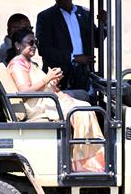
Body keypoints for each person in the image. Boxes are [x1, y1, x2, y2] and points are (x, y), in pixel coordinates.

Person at [7, 28, 105, 172]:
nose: (34, 46)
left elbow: (39, 85)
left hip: (47, 100)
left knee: (86, 106)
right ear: (18, 45)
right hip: (40, 107)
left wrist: (52, 82)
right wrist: (47, 79)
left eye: (36, 42)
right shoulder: (18, 63)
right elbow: (24, 92)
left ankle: (87, 158)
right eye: (30, 42)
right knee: (82, 111)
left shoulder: (30, 62)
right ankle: (82, 163)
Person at [36, 0, 97, 91]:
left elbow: (96, 41)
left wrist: (104, 24)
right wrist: (73, 58)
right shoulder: (45, 17)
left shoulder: (85, 14)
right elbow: (44, 49)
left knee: (85, 103)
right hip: (58, 76)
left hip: (83, 74)